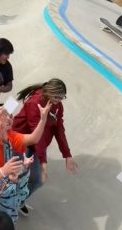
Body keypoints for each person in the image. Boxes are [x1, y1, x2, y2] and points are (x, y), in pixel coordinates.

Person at [12, 78, 76, 214]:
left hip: (36, 145)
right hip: (21, 141)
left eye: (62, 97)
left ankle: (18, 200)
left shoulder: (57, 105)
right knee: (16, 175)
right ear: (49, 93)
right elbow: (37, 136)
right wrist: (43, 162)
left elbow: (59, 129)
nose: (60, 100)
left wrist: (67, 155)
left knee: (38, 180)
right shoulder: (34, 103)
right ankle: (6, 201)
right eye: (57, 97)